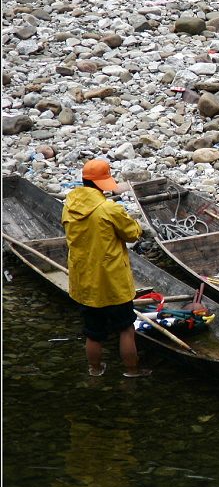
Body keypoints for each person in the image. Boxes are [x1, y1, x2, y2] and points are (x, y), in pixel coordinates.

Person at [61, 159, 150, 378]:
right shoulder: (109, 209)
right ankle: (132, 371)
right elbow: (132, 234)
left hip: (85, 282)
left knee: (93, 333)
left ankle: (95, 370)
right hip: (112, 281)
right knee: (126, 328)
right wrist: (137, 224)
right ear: (102, 184)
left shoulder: (69, 205)